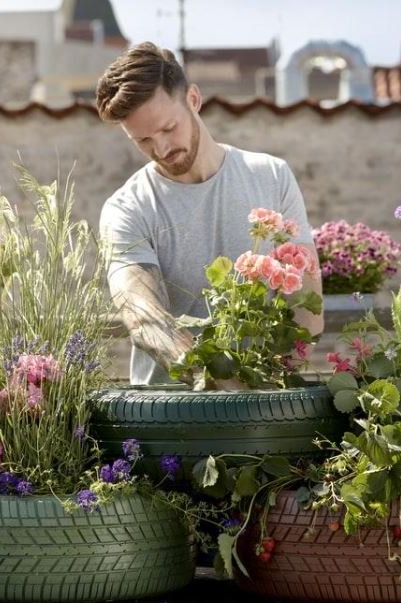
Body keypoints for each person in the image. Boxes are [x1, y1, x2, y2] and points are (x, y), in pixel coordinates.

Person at [96, 42, 323, 386]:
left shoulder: (272, 177)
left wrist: (271, 384)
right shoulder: (127, 208)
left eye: (168, 128)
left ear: (193, 99)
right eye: (142, 140)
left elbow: (306, 307)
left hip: (265, 410)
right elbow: (143, 315)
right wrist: (218, 384)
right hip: (167, 419)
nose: (161, 148)